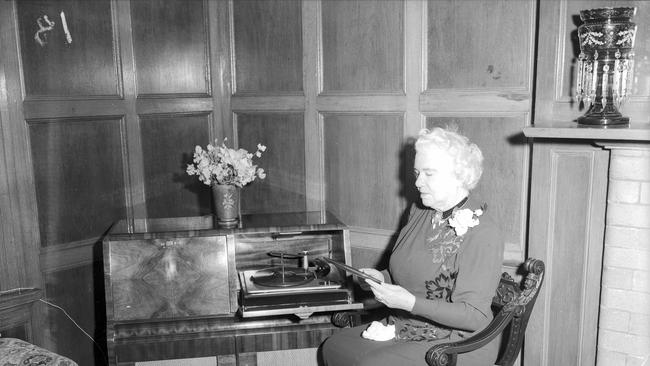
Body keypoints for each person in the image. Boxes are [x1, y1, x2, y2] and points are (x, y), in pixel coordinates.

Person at [321, 127, 504, 366]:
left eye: (429, 173)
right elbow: (409, 273)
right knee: (335, 346)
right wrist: (380, 278)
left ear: (459, 174)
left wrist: (410, 303)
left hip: (459, 343)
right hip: (408, 324)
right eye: (417, 172)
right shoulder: (420, 211)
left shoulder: (483, 231)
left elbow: (475, 316)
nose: (417, 182)